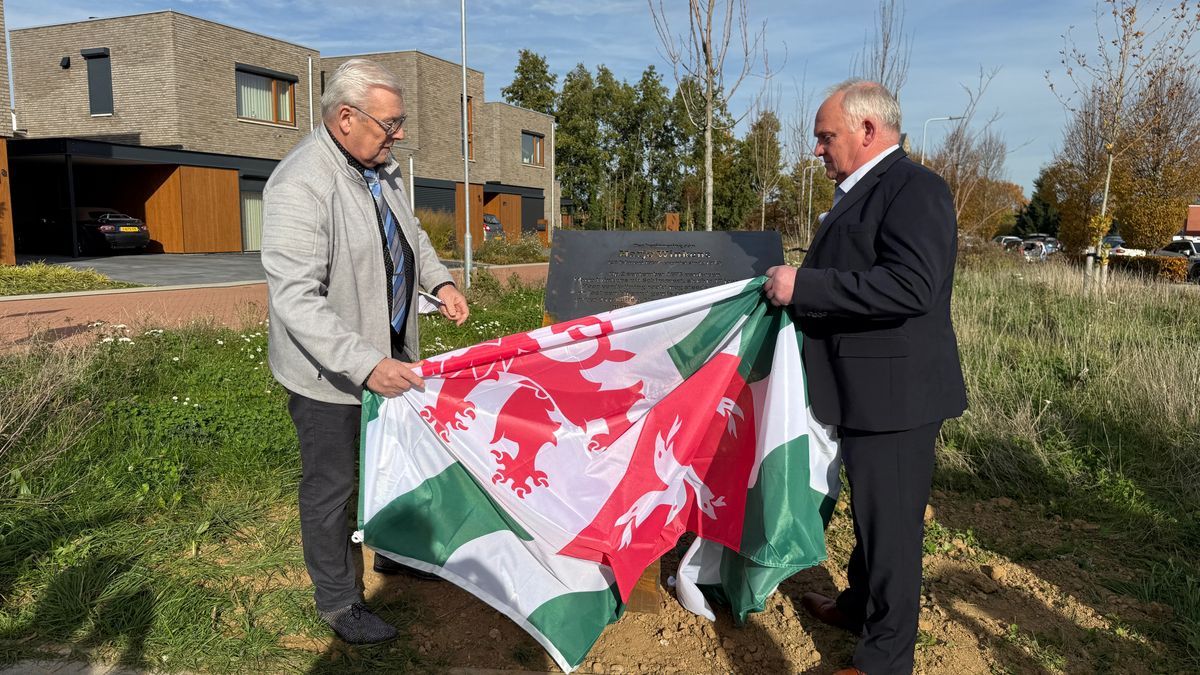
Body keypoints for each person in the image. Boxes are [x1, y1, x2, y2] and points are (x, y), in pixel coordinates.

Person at [763, 79, 967, 674]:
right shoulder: (865, 189)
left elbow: (912, 284)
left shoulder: (915, 189)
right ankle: (858, 606)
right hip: (863, 392)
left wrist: (806, 285)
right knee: (873, 514)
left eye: (826, 137)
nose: (819, 150)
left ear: (867, 130)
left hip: (897, 398)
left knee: (894, 531)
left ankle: (884, 660)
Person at [262, 58, 469, 644]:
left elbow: (413, 236)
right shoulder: (301, 182)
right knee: (333, 487)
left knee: (394, 467)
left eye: (400, 122)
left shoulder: (381, 168)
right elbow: (296, 300)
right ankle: (337, 602)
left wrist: (442, 281)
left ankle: (394, 555)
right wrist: (365, 365)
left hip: (392, 359)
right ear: (346, 118)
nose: (398, 133)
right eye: (390, 123)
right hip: (331, 376)